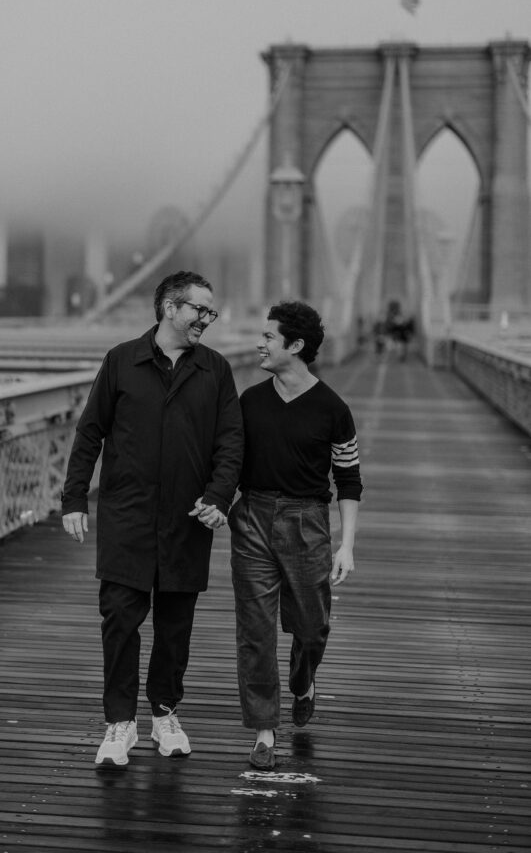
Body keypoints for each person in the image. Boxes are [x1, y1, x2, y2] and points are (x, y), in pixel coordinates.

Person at [61, 270, 243, 769]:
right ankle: (119, 722)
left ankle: (165, 711)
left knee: (175, 626)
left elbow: (231, 441)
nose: (206, 319)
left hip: (189, 518)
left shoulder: (217, 370)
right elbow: (89, 433)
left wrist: (220, 495)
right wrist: (74, 498)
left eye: (211, 312)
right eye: (198, 310)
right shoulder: (121, 360)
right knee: (119, 620)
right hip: (127, 515)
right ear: (169, 308)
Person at [230, 300, 362, 769]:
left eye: (268, 337)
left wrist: (345, 544)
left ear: (296, 345)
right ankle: (264, 731)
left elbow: (349, 479)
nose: (259, 343)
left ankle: (303, 680)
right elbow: (229, 463)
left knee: (312, 626)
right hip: (252, 518)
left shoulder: (333, 409)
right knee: (256, 631)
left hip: (308, 522)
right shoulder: (249, 401)